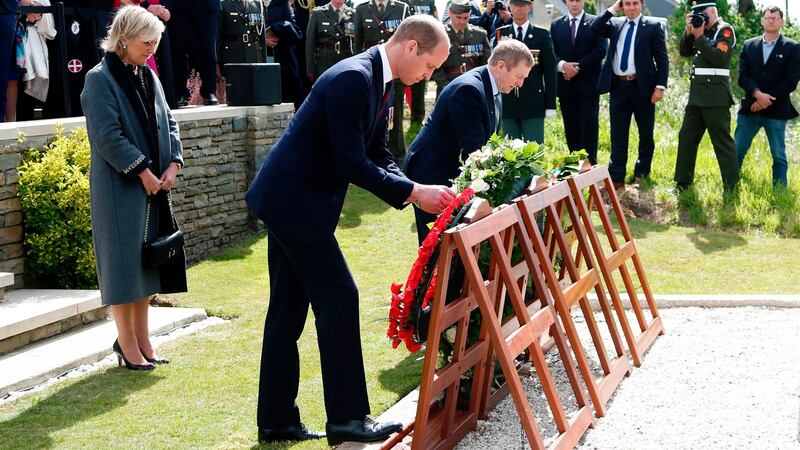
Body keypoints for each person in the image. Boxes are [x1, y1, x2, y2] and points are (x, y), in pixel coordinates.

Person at [245, 15, 454, 446]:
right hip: (294, 204)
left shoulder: (381, 79)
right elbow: (351, 163)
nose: (429, 76)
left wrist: (413, 185)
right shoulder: (353, 78)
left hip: (296, 204)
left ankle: (277, 422)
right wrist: (415, 193)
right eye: (431, 66)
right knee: (340, 296)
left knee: (286, 311)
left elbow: (376, 150)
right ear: (411, 47)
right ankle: (347, 419)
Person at [80, 6, 186, 371]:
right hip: (119, 187)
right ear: (123, 40)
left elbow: (168, 121)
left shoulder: (147, 74)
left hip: (153, 186)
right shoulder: (99, 78)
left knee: (144, 267)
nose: (152, 48)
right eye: (146, 42)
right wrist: (142, 171)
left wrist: (173, 162)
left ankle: (143, 340)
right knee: (123, 269)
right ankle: (126, 343)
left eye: (157, 41)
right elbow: (107, 136)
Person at [405, 39, 533, 243]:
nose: (521, 84)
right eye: (519, 76)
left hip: (449, 168)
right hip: (432, 172)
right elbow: (475, 150)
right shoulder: (469, 89)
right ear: (501, 66)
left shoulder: (493, 85)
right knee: (437, 245)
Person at [591, 0, 667, 190]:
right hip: (619, 87)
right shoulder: (616, 24)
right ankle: (616, 177)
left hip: (643, 89)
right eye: (627, 4)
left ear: (641, 4)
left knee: (645, 133)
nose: (631, 8)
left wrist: (660, 87)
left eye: (635, 3)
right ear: (622, 6)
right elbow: (595, 27)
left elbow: (662, 59)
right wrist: (613, 9)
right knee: (618, 134)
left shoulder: (652, 26)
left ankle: (642, 173)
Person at [673, 0, 737, 192]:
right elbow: (684, 51)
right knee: (686, 137)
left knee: (722, 142)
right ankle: (683, 183)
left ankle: (731, 187)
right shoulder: (700, 30)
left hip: (716, 97)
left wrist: (699, 36)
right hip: (697, 96)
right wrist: (688, 31)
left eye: (701, 14)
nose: (700, 19)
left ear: (711, 12)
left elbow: (719, 58)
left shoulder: (725, 31)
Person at [734, 5, 799, 188]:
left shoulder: (793, 47)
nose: (770, 20)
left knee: (779, 155)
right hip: (750, 108)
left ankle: (780, 193)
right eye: (767, 17)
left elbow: (791, 81)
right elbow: (742, 77)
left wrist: (764, 101)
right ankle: (730, 186)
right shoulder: (749, 45)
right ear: (762, 20)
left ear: (781, 22)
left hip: (777, 110)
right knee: (736, 150)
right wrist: (757, 94)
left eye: (774, 18)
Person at [551, 0, 607, 165]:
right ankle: (574, 166)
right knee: (571, 128)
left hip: (588, 86)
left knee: (589, 127)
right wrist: (563, 66)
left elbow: (601, 49)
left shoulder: (596, 22)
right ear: (566, 2)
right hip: (566, 87)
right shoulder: (556, 25)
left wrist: (577, 67)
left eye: (578, 0)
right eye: (571, 0)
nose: (574, 4)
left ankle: (590, 166)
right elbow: (551, 51)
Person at [353, 0, 409, 163]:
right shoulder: (362, 9)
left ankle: (397, 156)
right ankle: (369, 156)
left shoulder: (402, 8)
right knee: (371, 114)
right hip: (373, 71)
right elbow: (358, 44)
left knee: (395, 116)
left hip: (395, 70)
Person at [495, 0, 556, 144]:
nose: (519, 9)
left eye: (523, 5)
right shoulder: (502, 34)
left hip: (533, 102)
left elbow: (550, 72)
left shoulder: (541, 35)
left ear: (529, 7)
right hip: (508, 102)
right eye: (515, 5)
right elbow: (496, 69)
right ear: (510, 7)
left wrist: (550, 104)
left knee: (534, 151)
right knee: (510, 153)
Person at [431, 0, 490, 97]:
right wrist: (446, 85)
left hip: (474, 85)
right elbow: (435, 66)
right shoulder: (440, 35)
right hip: (448, 87)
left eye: (466, 18)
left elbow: (486, 63)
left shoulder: (479, 35)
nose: (462, 21)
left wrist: (479, 83)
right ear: (450, 13)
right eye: (458, 17)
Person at [169, 0, 221, 106]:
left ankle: (209, 91)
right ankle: (180, 92)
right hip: (178, 6)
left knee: (209, 49)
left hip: (206, 5)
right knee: (178, 49)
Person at [305, 0, 354, 83]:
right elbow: (310, 43)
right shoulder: (318, 13)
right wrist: (310, 68)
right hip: (324, 62)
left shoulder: (353, 14)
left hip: (345, 61)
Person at [405, 0, 435, 126]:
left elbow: (434, 24)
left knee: (419, 87)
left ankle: (417, 121)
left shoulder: (429, 1)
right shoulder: (401, 3)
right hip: (405, 50)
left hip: (422, 49)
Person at [218, 0, 269, 76]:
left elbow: (261, 37)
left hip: (254, 56)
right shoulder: (223, 4)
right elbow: (217, 37)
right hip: (232, 58)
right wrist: (217, 64)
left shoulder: (258, 4)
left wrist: (264, 62)